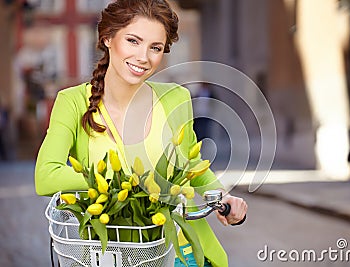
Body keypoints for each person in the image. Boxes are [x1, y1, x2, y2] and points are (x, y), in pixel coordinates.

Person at [34, 1, 247, 267]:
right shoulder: (72, 102)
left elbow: (191, 165)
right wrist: (128, 181)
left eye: (155, 48)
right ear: (108, 38)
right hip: (109, 253)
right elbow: (46, 176)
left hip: (181, 252)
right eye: (133, 41)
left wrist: (222, 196)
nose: (143, 57)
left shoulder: (175, 98)